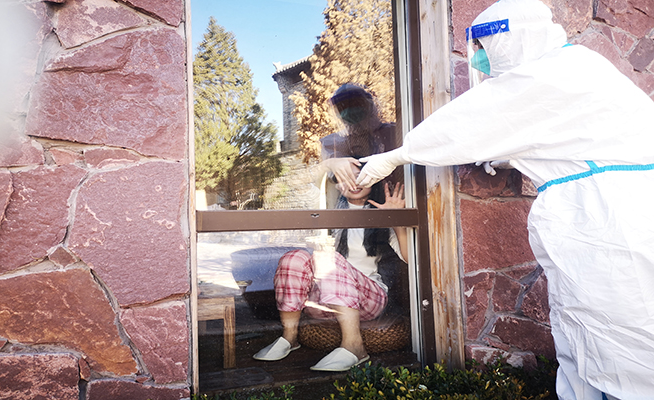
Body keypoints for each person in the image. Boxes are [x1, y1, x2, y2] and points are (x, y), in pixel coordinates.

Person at [355, 0, 654, 399]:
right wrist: (507, 153)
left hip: (610, 223)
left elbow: (470, 119)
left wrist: (397, 155)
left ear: (512, 39)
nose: (480, 58)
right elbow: (566, 137)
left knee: (620, 339)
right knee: (585, 330)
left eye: (484, 46)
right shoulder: (574, 66)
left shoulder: (548, 74)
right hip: (608, 214)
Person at [253, 166, 407, 371]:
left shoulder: (380, 214)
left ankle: (354, 345)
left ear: (373, 181)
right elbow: (292, 182)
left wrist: (396, 218)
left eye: (361, 177)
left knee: (328, 259)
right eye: (346, 177)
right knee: (294, 258)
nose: (354, 183)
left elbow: (409, 258)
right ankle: (289, 337)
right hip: (325, 301)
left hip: (368, 300)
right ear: (338, 184)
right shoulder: (326, 207)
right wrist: (328, 164)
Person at [320, 83, 401, 192]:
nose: (351, 109)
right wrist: (330, 164)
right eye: (343, 106)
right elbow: (327, 178)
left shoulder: (395, 132)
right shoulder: (333, 143)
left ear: (370, 104)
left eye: (357, 102)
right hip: (359, 201)